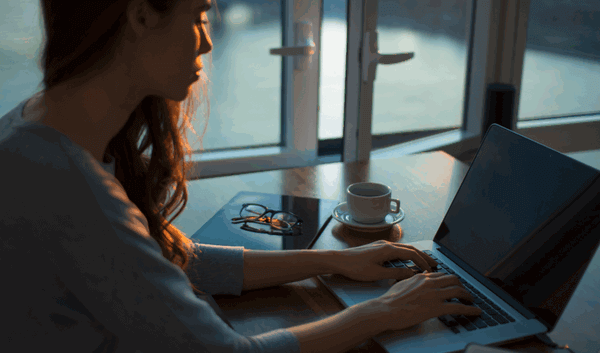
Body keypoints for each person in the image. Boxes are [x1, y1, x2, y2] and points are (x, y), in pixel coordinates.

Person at [0, 0, 481, 352]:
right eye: (199, 16)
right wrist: (382, 312)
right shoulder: (74, 193)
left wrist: (335, 262)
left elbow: (167, 259)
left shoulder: (31, 128)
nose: (207, 41)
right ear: (141, 14)